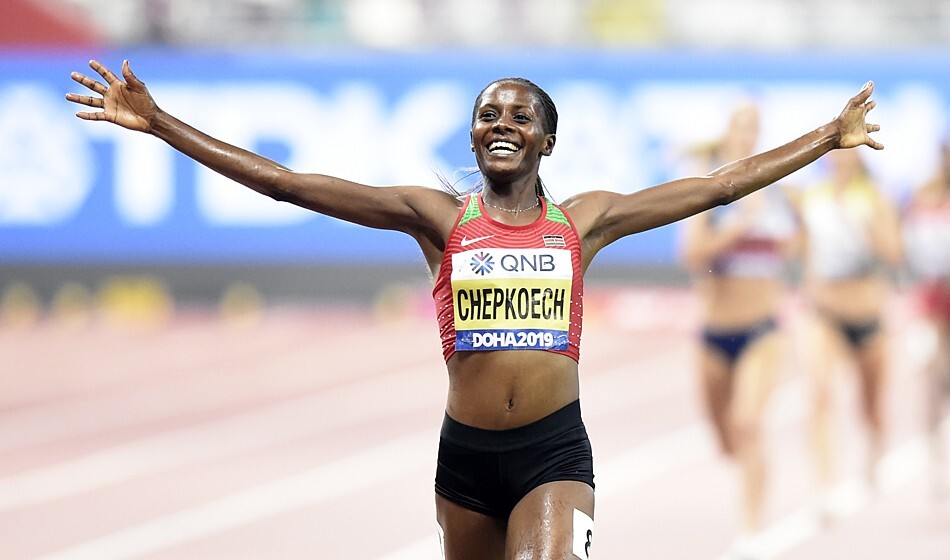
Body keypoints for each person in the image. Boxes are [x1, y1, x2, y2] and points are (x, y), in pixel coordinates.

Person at [66, 60, 882, 560]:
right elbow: (287, 183)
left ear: (546, 142)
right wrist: (160, 123)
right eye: (488, 114)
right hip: (464, 459)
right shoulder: (438, 218)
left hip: (553, 452)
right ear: (472, 137)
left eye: (521, 116)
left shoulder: (584, 221)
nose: (502, 124)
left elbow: (718, 185)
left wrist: (827, 136)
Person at [679, 101, 799, 557]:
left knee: (748, 423)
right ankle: (749, 478)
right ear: (727, 132)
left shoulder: (779, 190)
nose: (747, 134)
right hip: (713, 333)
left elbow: (796, 246)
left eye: (754, 127)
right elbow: (692, 255)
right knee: (726, 438)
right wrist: (741, 224)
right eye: (740, 126)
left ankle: (752, 529)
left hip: (762, 329)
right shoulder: (709, 190)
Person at [793, 147, 902, 518]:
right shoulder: (813, 196)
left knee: (870, 406)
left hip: (867, 314)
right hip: (825, 313)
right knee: (819, 392)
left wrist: (863, 223)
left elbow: (894, 253)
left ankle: (874, 455)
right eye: (836, 154)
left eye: (848, 154)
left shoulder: (875, 196)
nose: (841, 160)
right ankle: (825, 486)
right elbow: (801, 249)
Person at [904, 139, 950, 501]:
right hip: (934, 301)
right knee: (933, 379)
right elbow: (913, 251)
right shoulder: (925, 198)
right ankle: (934, 461)